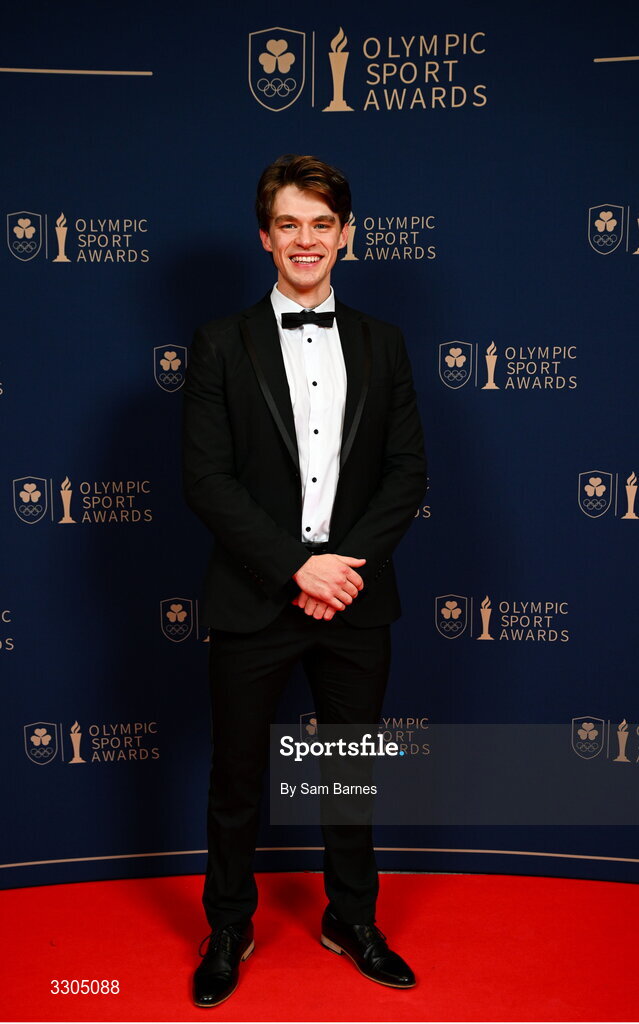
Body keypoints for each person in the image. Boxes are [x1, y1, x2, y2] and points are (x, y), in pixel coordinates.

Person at [182, 154, 427, 1008]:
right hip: (256, 594)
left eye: (321, 223)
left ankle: (350, 920)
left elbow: (407, 473)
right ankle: (228, 927)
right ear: (264, 237)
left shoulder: (384, 344)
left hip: (354, 596)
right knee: (237, 778)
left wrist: (340, 571)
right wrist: (295, 566)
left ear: (346, 237)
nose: (306, 239)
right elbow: (206, 481)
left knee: (347, 771)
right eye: (289, 223)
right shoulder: (219, 343)